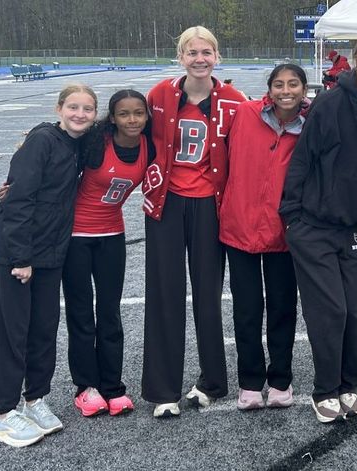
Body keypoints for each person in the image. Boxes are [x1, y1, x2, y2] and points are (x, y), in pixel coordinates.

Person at [280, 31, 357, 424]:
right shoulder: (328, 104)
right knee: (330, 312)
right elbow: (302, 160)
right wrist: (292, 216)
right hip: (314, 226)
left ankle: (349, 384)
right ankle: (325, 389)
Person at [141, 25, 245, 418]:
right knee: (164, 294)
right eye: (192, 52)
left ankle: (212, 381)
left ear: (217, 56)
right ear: (180, 57)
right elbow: (129, 134)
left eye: (207, 52)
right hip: (166, 204)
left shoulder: (234, 100)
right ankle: (163, 390)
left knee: (208, 296)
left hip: (210, 206)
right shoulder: (160, 95)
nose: (200, 59)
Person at [0, 84, 97, 447]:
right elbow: (18, 200)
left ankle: (35, 400)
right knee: (12, 332)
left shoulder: (79, 145)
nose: (80, 114)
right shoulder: (43, 140)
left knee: (43, 330)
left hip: (50, 254)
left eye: (88, 109)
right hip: (14, 254)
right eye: (74, 107)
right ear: (60, 108)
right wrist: (21, 258)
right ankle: (4, 414)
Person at [219, 64, 309, 410]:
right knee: (246, 309)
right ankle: (250, 382)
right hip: (239, 225)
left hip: (284, 233)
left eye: (293, 84)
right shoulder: (244, 113)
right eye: (279, 84)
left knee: (283, 308)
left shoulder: (309, 126)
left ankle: (281, 380)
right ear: (269, 89)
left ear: (303, 89)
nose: (286, 90)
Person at [62, 90, 152, 417]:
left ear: (146, 116)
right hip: (76, 238)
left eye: (138, 113)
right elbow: (56, 152)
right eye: (124, 114)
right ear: (112, 118)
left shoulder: (149, 145)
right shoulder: (95, 142)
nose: (132, 120)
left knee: (110, 314)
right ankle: (86, 387)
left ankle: (113, 386)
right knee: (82, 314)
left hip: (112, 236)